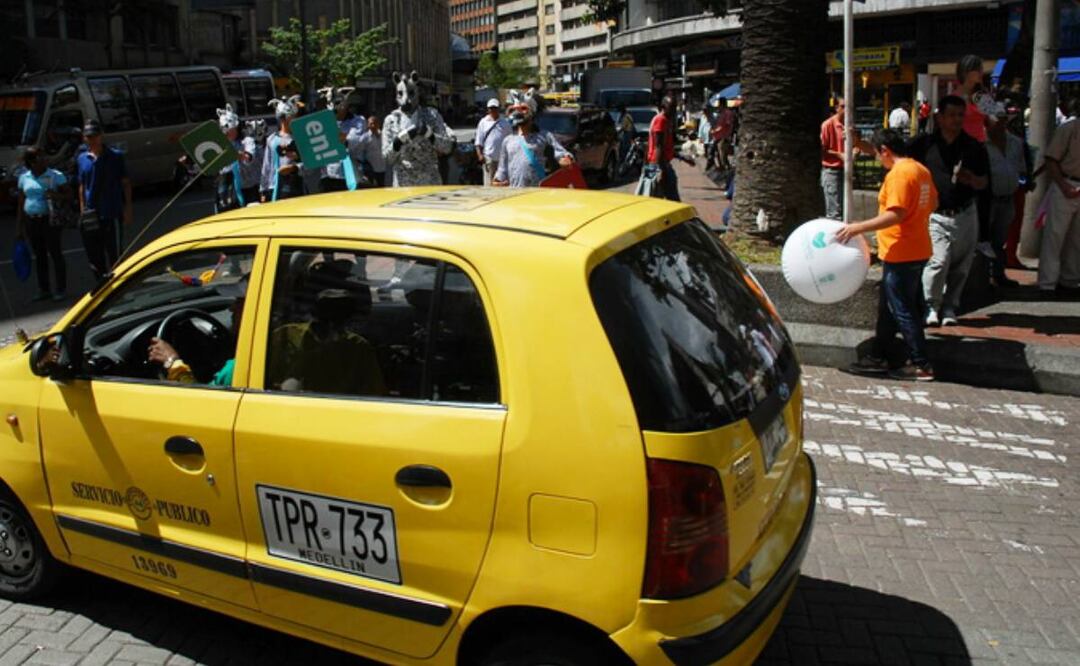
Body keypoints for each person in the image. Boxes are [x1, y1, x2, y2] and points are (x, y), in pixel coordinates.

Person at [839, 128, 938, 382]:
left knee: (901, 308)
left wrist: (857, 228)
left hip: (901, 251)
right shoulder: (920, 170)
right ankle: (879, 355)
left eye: (877, 155)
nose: (878, 161)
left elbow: (896, 213)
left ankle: (920, 363)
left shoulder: (899, 175)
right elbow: (932, 204)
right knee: (891, 306)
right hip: (916, 247)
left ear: (886, 151)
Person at [905, 95, 989, 327]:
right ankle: (931, 306)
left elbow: (984, 182)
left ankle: (951, 306)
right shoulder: (922, 145)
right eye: (951, 115)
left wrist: (971, 179)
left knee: (962, 266)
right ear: (939, 117)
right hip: (936, 215)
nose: (956, 120)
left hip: (965, 212)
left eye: (960, 115)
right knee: (938, 261)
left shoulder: (973, 147)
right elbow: (897, 160)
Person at [147, 277, 248, 386]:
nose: (231, 308)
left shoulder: (239, 368)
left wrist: (172, 363)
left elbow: (201, 400)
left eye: (239, 301)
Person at [76, 119, 132, 281]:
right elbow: (82, 185)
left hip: (111, 211)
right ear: (84, 138)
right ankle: (101, 284)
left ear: (101, 136)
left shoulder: (115, 156)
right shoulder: (82, 159)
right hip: (91, 214)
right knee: (94, 254)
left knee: (115, 252)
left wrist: (128, 208)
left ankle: (120, 283)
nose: (92, 139)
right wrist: (82, 210)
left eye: (94, 135)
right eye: (88, 136)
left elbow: (126, 183)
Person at [382, 70, 455, 187]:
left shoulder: (431, 115)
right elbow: (387, 158)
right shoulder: (391, 120)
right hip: (403, 184)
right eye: (400, 94)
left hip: (429, 182)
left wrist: (430, 135)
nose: (406, 99)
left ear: (417, 92)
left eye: (411, 93)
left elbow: (447, 147)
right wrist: (397, 142)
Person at [16, 146, 70, 301]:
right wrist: (19, 228)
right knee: (39, 256)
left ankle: (60, 289)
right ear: (32, 163)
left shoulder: (55, 176)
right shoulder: (24, 178)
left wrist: (56, 195)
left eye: (45, 157)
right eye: (40, 158)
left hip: (50, 220)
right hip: (32, 221)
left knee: (55, 254)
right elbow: (21, 203)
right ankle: (44, 289)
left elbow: (69, 194)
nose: (45, 160)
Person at [492, 88, 573, 188]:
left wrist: (565, 159)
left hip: (537, 193)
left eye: (523, 109)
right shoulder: (508, 141)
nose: (518, 113)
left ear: (532, 112)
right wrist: (497, 181)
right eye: (514, 109)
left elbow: (561, 153)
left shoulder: (544, 136)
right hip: (514, 195)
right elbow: (502, 170)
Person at [1038, 114, 1080, 296]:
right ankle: (1047, 283)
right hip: (1066, 183)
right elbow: (1051, 159)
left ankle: (1069, 280)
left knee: (1076, 239)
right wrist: (1064, 185)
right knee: (1055, 235)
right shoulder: (1069, 128)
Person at [984, 109, 1025, 289]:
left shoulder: (1015, 143)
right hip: (988, 199)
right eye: (996, 121)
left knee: (1000, 239)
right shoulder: (981, 144)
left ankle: (998, 274)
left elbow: (1021, 167)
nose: (1000, 124)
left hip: (1008, 198)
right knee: (985, 240)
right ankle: (984, 277)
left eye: (1002, 121)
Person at [318, 87, 365, 193]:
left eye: (337, 103)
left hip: (350, 176)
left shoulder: (358, 121)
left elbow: (351, 142)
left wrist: (333, 123)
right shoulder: (321, 124)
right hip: (327, 176)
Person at [213, 104, 258, 212]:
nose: (228, 132)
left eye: (231, 129)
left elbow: (248, 158)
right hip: (227, 187)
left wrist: (237, 155)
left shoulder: (247, 141)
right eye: (226, 130)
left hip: (247, 188)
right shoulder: (219, 145)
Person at [261, 96, 305, 201]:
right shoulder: (272, 139)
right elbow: (267, 165)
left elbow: (308, 162)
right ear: (282, 118)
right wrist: (263, 189)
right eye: (290, 117)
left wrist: (294, 168)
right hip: (274, 185)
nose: (293, 119)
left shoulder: (301, 138)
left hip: (295, 184)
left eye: (294, 116)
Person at [646, 96, 680, 202]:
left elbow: (665, 146)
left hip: (662, 163)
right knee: (673, 201)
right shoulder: (661, 120)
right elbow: (658, 146)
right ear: (663, 107)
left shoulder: (666, 121)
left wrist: (681, 157)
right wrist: (661, 169)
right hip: (660, 164)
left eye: (675, 107)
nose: (674, 111)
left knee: (661, 200)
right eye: (672, 107)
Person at [820, 98, 847, 220]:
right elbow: (822, 148)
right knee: (834, 211)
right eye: (843, 106)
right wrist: (838, 154)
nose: (847, 110)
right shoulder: (827, 125)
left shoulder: (849, 125)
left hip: (846, 169)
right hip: (832, 170)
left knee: (846, 208)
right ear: (837, 108)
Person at [474, 98, 511, 186]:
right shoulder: (483, 122)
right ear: (488, 109)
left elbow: (510, 139)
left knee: (501, 183)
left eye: (495, 108)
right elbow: (478, 140)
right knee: (488, 183)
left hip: (502, 159)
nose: (493, 110)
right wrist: (480, 155)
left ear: (498, 109)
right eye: (491, 108)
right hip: (489, 158)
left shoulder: (505, 122)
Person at [349, 115, 387, 187]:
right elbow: (357, 151)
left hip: (384, 168)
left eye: (374, 123)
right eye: (370, 124)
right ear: (368, 125)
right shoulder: (365, 137)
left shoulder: (384, 135)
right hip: (371, 170)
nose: (372, 125)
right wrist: (363, 163)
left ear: (378, 124)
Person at [711, 98, 735, 172]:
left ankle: (725, 169)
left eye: (719, 105)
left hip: (724, 137)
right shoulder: (721, 113)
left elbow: (727, 124)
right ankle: (724, 168)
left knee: (722, 155)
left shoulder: (727, 113)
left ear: (722, 105)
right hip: (718, 136)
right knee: (719, 154)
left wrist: (717, 130)